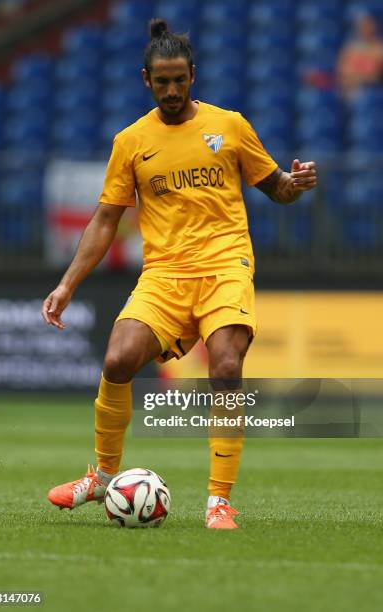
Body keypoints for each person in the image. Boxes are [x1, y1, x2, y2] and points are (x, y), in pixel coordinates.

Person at [42, 19, 317, 529]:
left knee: (227, 366)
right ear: (146, 80)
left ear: (193, 76)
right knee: (119, 359)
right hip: (165, 274)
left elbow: (274, 186)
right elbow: (106, 220)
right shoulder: (130, 141)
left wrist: (295, 185)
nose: (171, 90)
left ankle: (219, 500)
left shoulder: (229, 126)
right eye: (161, 81)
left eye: (179, 80)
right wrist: (66, 284)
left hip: (224, 264)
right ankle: (102, 477)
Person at [337, 11, 383, 98]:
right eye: (363, 26)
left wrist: (363, 78)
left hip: (374, 91)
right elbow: (343, 73)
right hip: (352, 91)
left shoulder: (380, 48)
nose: (366, 29)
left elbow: (377, 75)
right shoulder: (350, 48)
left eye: (369, 25)